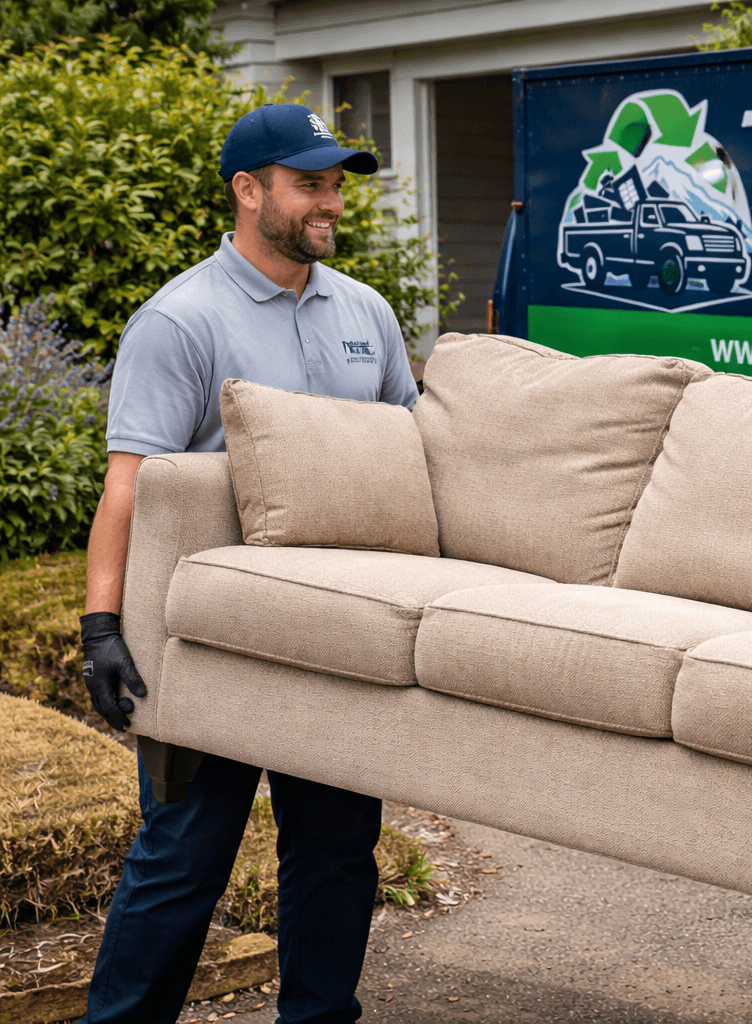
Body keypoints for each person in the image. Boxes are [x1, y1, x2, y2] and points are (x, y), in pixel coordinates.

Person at [79, 103, 419, 1024]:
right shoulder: (180, 320)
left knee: (338, 849)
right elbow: (129, 485)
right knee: (185, 854)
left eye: (336, 184)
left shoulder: (366, 312)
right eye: (310, 184)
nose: (331, 201)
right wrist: (102, 625)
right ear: (248, 190)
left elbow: (410, 457)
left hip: (338, 628)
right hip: (206, 638)